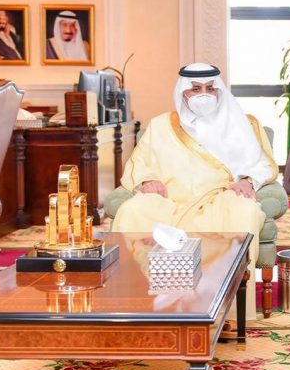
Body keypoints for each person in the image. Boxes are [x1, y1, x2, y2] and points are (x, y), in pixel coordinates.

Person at [112, 63, 276, 319]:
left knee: (244, 209)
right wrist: (146, 181)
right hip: (170, 200)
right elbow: (140, 163)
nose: (204, 95)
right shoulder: (161, 126)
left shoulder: (241, 124)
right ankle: (137, 304)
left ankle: (224, 311)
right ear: (182, 92)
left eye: (210, 88)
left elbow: (261, 164)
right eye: (196, 89)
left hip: (219, 197)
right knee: (132, 211)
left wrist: (247, 180)